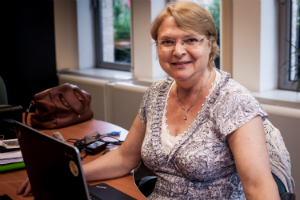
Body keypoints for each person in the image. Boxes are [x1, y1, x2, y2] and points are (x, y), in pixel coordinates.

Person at [17, 1, 295, 199]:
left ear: (210, 43)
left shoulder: (233, 100)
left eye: (190, 40)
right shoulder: (157, 93)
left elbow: (258, 187)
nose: (178, 51)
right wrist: (66, 174)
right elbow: (125, 157)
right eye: (167, 42)